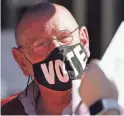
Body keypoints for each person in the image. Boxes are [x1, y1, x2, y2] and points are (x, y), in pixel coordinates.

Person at [1, 2, 121, 115]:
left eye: (64, 37)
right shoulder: (6, 110)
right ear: (21, 60)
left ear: (83, 41)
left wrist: (104, 107)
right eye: (41, 44)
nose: (57, 48)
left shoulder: (116, 103)